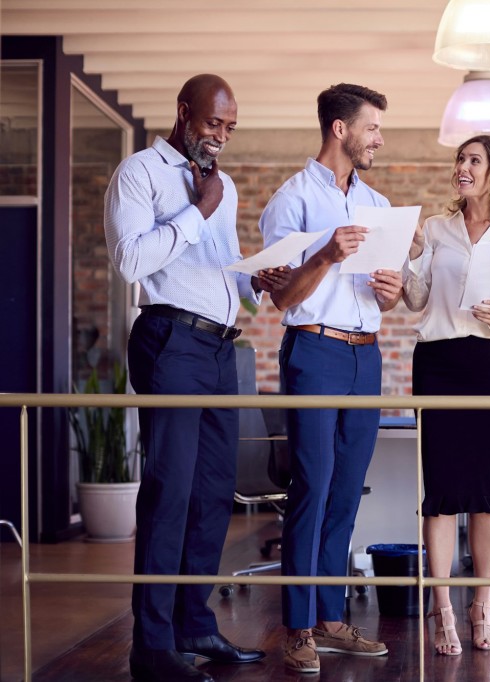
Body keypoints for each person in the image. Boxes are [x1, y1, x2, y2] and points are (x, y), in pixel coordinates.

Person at [105, 74, 288, 682]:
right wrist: (194, 211)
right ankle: (152, 647)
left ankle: (193, 625)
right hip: (170, 341)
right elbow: (131, 260)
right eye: (214, 124)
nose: (221, 137)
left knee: (214, 493)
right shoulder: (139, 174)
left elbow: (221, 266)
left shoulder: (224, 186)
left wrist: (253, 283)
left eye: (230, 128)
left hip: (219, 350)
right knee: (170, 492)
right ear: (184, 113)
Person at [257, 82, 403, 674]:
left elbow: (381, 299)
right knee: (313, 489)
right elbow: (280, 298)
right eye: (372, 128)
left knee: (346, 490)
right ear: (340, 129)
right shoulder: (289, 202)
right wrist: (324, 255)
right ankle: (297, 627)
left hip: (366, 355)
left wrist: (390, 294)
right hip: (313, 353)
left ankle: (329, 617)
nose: (379, 139)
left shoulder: (377, 204)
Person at [402, 134, 490, 655]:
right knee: (439, 492)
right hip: (437, 363)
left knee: (486, 490)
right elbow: (415, 301)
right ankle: (442, 614)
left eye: (473, 160)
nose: (462, 166)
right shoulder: (436, 229)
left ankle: (481, 609)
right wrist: (414, 256)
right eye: (460, 158)